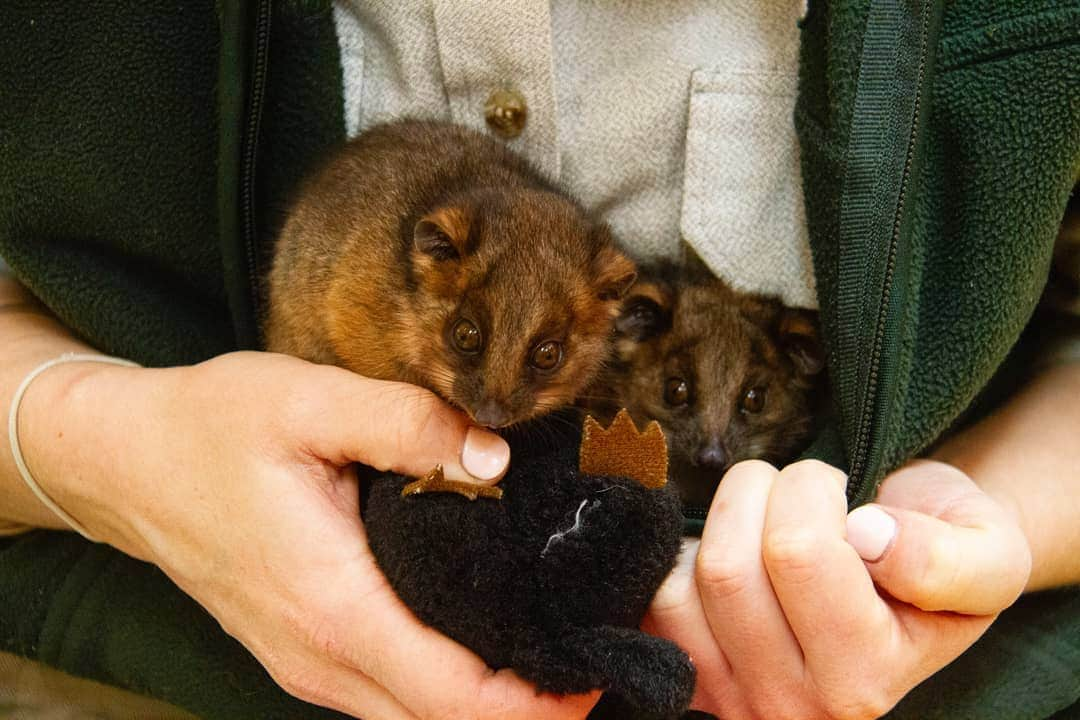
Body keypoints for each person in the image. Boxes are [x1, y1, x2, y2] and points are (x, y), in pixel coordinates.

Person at [1, 2, 1078, 719]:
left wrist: (991, 522)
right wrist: (95, 444)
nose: (495, 398)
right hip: (175, 671)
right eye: (473, 349)